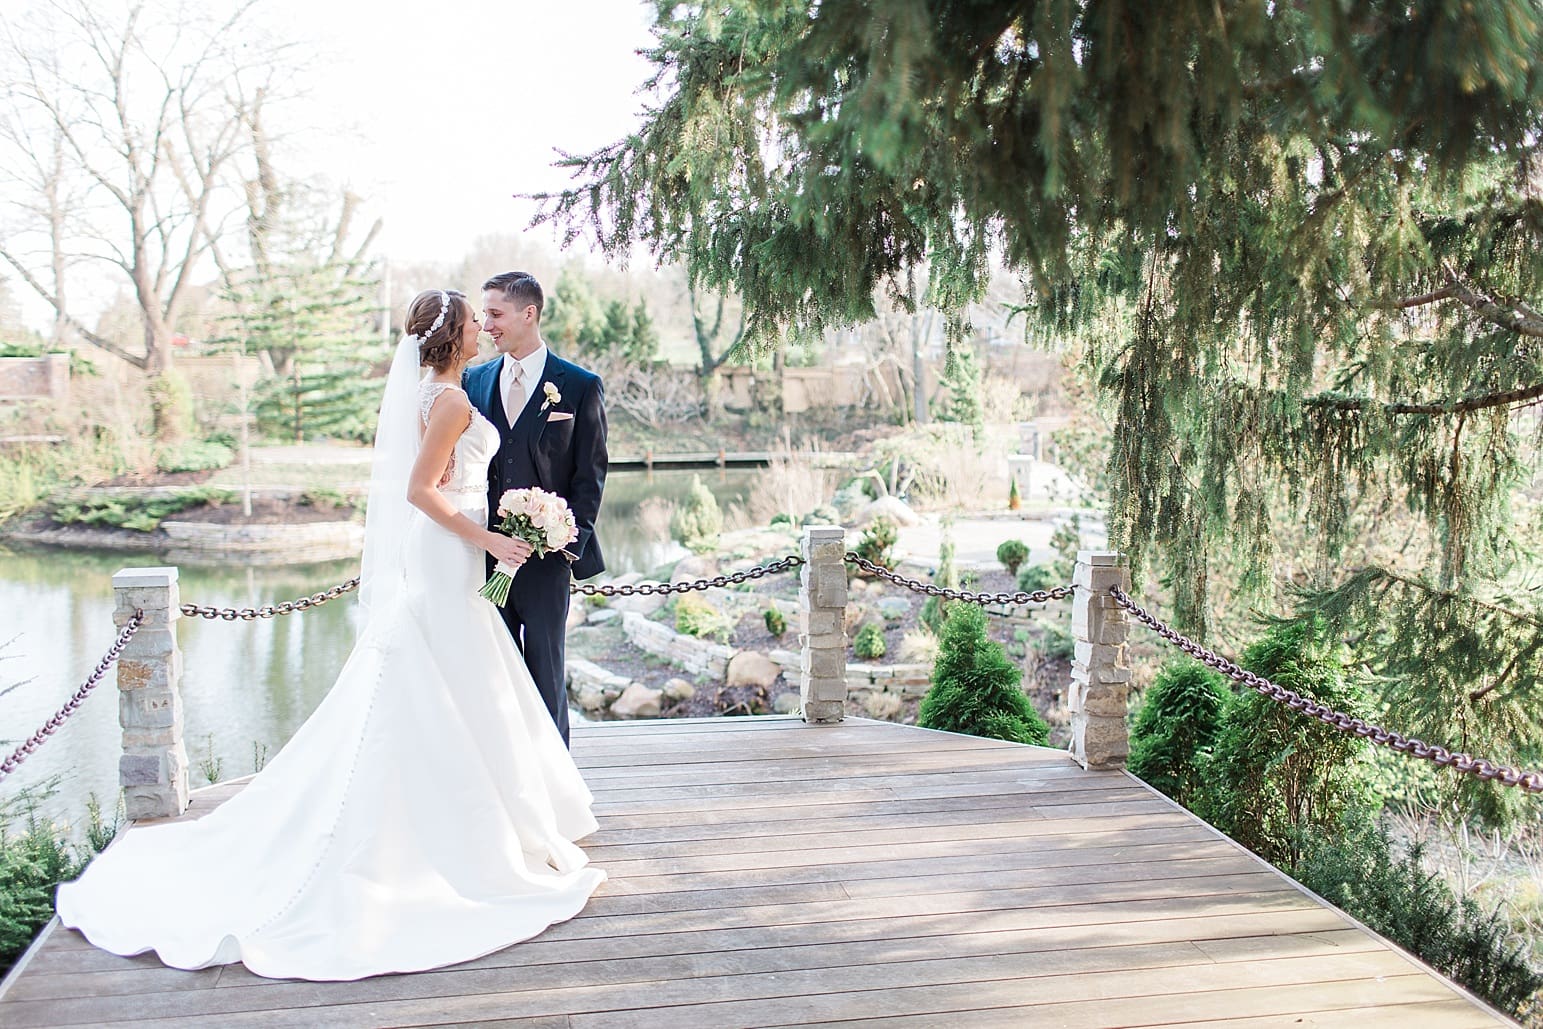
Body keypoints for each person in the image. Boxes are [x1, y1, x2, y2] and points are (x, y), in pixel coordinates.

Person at [54, 289, 605, 981]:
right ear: (453, 336)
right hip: (449, 548)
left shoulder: (431, 395)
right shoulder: (454, 402)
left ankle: (493, 815)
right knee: (454, 668)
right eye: (472, 322)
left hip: (446, 555)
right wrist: (491, 533)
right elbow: (420, 490)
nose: (480, 331)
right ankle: (466, 833)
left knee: (464, 674)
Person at [464, 271, 607, 747]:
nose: (486, 325)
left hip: (548, 562)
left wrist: (568, 542)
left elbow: (590, 477)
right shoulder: (473, 379)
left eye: (495, 313)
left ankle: (555, 788)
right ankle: (502, 782)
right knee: (490, 677)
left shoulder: (580, 386)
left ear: (529, 314)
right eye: (483, 314)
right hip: (482, 557)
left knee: (547, 675)